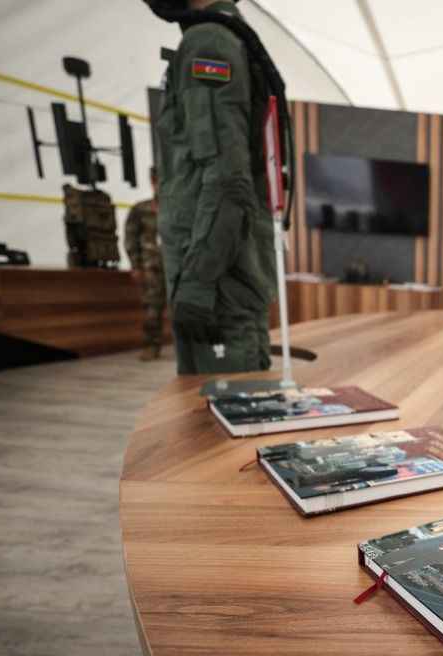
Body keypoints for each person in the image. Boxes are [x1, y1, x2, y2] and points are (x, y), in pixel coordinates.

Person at [147, 0, 278, 375]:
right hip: (223, 275)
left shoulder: (208, 42)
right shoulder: (231, 37)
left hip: (217, 285)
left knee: (218, 404)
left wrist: (198, 282)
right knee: (234, 401)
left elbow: (226, 178)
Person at [124, 168, 165, 361]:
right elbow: (130, 238)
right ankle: (151, 346)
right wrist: (135, 265)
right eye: (157, 181)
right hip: (152, 268)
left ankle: (189, 349)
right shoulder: (140, 210)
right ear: (152, 182)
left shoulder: (179, 209)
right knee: (152, 308)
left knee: (184, 308)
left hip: (177, 267)